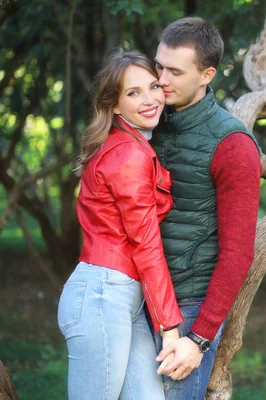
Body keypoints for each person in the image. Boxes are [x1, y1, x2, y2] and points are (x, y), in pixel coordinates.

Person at [57, 51, 184, 400]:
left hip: (122, 297)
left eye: (153, 87)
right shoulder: (129, 155)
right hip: (102, 295)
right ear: (114, 105)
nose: (149, 100)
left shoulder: (128, 146)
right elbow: (145, 244)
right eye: (133, 93)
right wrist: (169, 327)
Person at [150, 17, 262, 399]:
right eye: (158, 66)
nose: (161, 79)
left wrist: (198, 339)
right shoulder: (147, 122)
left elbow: (238, 253)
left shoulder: (233, 145)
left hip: (187, 309)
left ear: (206, 74)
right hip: (136, 299)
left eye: (175, 71)